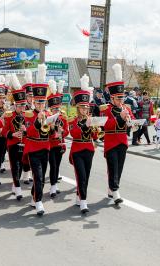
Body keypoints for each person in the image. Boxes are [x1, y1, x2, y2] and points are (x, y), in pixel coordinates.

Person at [100, 64, 135, 205]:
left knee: (119, 167)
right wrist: (120, 117)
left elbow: (131, 122)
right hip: (111, 142)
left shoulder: (126, 108)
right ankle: (115, 191)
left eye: (122, 99)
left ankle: (111, 188)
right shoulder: (106, 109)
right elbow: (105, 125)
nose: (121, 101)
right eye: (118, 99)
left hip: (122, 142)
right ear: (112, 98)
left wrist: (133, 123)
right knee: (113, 167)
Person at [22, 64, 51, 216]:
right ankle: (39, 201)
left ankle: (34, 197)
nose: (40, 105)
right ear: (34, 102)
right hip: (33, 149)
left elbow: (50, 134)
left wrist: (57, 129)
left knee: (41, 178)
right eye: (38, 102)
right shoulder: (28, 115)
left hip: (45, 148)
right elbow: (29, 132)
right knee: (37, 177)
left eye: (43, 102)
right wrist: (38, 121)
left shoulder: (48, 113)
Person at [69, 75, 98, 213]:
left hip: (89, 149)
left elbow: (95, 136)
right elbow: (74, 134)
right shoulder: (73, 121)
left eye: (87, 107)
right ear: (78, 108)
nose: (85, 109)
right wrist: (85, 126)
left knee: (86, 175)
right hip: (77, 150)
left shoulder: (90, 119)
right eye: (82, 107)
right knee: (81, 176)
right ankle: (84, 202)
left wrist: (96, 128)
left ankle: (78, 196)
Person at [2, 74, 27, 201]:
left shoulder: (27, 115)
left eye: (24, 105)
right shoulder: (8, 115)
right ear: (15, 105)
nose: (22, 108)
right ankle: (17, 188)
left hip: (24, 144)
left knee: (21, 166)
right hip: (12, 144)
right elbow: (4, 131)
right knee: (14, 166)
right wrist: (12, 134)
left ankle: (15, 184)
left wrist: (26, 130)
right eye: (20, 106)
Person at [47, 79, 68, 198]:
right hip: (50, 144)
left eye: (58, 109)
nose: (56, 111)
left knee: (58, 165)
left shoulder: (63, 117)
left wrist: (62, 132)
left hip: (60, 144)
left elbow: (67, 131)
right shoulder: (48, 117)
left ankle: (54, 185)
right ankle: (53, 186)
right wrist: (51, 128)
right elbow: (45, 132)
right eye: (54, 109)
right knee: (53, 165)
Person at [21, 69, 34, 185]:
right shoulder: (23, 107)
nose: (31, 98)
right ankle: (25, 174)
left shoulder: (36, 106)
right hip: (24, 133)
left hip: (33, 133)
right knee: (25, 154)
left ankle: (29, 173)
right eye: (29, 96)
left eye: (32, 96)